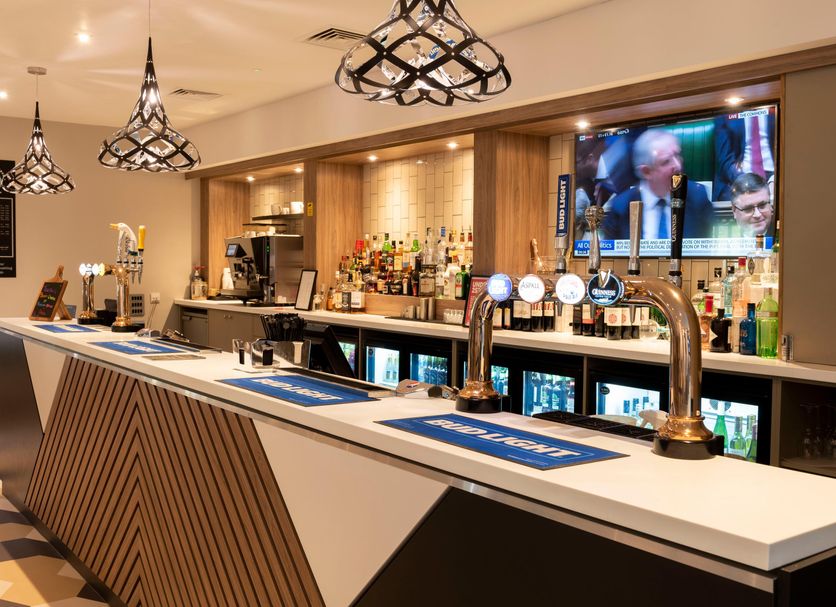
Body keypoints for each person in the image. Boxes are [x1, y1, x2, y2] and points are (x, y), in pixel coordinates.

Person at [602, 129, 715, 240]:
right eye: (666, 162)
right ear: (646, 172)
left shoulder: (697, 198)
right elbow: (610, 251)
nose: (678, 166)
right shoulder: (621, 207)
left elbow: (709, 247)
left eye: (677, 155)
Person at [713, 110, 776, 201]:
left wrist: (775, 179)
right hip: (738, 176)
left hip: (773, 175)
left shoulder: (775, 110)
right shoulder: (725, 112)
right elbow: (725, 160)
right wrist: (747, 183)